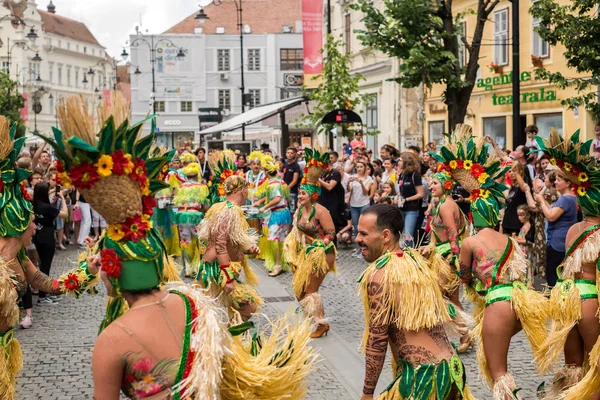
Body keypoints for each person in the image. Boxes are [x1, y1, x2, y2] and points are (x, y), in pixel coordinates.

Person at [432, 127, 549, 399]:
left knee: (498, 371)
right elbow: (524, 273)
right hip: (520, 305)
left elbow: (463, 278)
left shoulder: (470, 243)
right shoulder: (509, 240)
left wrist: (473, 277)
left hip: (497, 305)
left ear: (473, 217)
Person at [2, 115, 100, 399]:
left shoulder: (20, 259)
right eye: (31, 222)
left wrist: (87, 273)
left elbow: (48, 284)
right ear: (17, 226)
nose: (36, 226)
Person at [356, 204, 476, 400]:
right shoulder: (415, 262)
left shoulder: (379, 275)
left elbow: (377, 340)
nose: (357, 239)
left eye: (363, 234)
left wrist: (367, 393)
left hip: (423, 380)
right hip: (451, 370)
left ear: (386, 236)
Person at [532, 130, 600, 399]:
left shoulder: (574, 230)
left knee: (573, 366)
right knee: (595, 365)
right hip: (588, 299)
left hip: (566, 298)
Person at [197, 151, 262, 322]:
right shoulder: (231, 211)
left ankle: (231, 342)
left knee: (238, 309)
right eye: (246, 190)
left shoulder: (218, 207)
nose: (247, 194)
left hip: (216, 267)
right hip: (217, 269)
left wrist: (248, 248)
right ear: (242, 191)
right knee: (249, 307)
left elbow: (226, 239)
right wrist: (228, 278)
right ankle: (230, 342)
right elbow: (219, 245)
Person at [284, 148, 337, 338]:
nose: (300, 197)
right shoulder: (299, 211)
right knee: (300, 290)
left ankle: (321, 324)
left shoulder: (321, 211)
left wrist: (321, 243)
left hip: (323, 253)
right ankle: (312, 318)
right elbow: (295, 232)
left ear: (313, 196)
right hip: (306, 253)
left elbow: (331, 232)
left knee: (310, 289)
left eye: (303, 195)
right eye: (299, 194)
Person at [422, 171, 471, 352]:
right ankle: (465, 334)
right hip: (443, 254)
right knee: (450, 298)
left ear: (446, 185)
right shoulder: (445, 203)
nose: (431, 186)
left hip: (447, 257)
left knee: (439, 297)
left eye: (435, 183)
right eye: (431, 183)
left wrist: (454, 257)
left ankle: (456, 334)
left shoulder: (445, 206)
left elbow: (451, 231)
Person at [534, 169, 578, 288]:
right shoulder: (572, 198)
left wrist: (542, 201)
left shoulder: (565, 199)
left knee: (553, 277)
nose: (556, 183)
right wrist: (542, 201)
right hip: (566, 241)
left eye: (559, 180)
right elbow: (552, 210)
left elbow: (551, 216)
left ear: (568, 183)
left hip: (557, 242)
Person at [33, 181, 68, 304]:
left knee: (43, 265)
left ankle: (45, 292)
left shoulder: (35, 204)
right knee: (45, 266)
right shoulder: (47, 208)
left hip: (37, 236)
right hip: (47, 237)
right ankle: (43, 296)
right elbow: (64, 214)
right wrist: (63, 198)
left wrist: (53, 191)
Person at [172, 162, 210, 278]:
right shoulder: (201, 187)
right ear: (197, 174)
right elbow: (205, 205)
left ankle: (188, 268)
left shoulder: (181, 187)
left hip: (182, 216)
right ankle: (197, 267)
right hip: (195, 216)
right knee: (199, 242)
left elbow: (176, 202)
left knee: (185, 242)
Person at [258, 156, 292, 276]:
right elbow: (287, 197)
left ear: (267, 172)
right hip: (285, 212)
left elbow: (277, 199)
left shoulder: (272, 184)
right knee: (281, 239)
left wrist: (264, 207)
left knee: (274, 240)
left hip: (278, 214)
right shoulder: (281, 182)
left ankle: (277, 266)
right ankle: (281, 264)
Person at [347, 160, 375, 259]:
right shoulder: (354, 177)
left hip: (364, 203)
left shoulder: (369, 178)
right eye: (357, 167)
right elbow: (349, 190)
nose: (359, 169)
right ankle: (358, 248)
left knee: (365, 227)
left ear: (364, 168)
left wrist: (361, 183)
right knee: (356, 227)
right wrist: (348, 183)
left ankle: (366, 249)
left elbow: (366, 192)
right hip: (354, 204)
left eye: (361, 167)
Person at [398, 152, 424, 247]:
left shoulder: (415, 175)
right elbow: (401, 191)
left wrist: (407, 199)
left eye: (400, 160)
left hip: (412, 209)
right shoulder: (402, 175)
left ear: (406, 161)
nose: (398, 162)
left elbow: (420, 194)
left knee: (408, 236)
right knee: (401, 235)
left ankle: (410, 257)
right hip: (401, 208)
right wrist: (398, 196)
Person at [501, 163, 531, 235]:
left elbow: (523, 186)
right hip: (506, 223)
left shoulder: (522, 188)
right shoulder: (512, 188)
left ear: (520, 172)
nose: (511, 173)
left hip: (516, 225)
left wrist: (517, 174)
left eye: (514, 171)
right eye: (510, 171)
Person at [318, 158, 346, 235]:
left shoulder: (335, 173)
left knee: (331, 228)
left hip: (333, 204)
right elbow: (320, 185)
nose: (322, 169)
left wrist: (319, 180)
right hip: (323, 202)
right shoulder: (324, 174)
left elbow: (330, 187)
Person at [283, 147, 301, 214]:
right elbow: (282, 179)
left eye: (291, 153)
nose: (289, 154)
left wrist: (286, 189)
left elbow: (294, 181)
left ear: (295, 154)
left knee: (292, 211)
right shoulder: (284, 166)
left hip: (292, 192)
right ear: (286, 154)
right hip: (284, 192)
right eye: (288, 153)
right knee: (285, 210)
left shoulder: (296, 166)